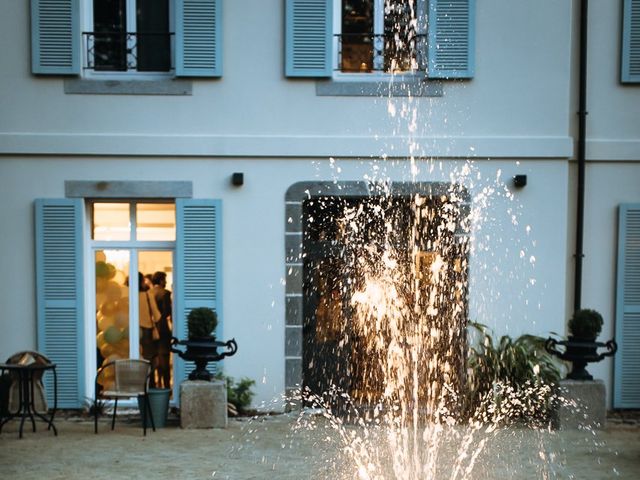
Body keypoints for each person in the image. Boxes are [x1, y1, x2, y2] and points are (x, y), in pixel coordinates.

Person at [138, 272, 161, 387]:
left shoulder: (127, 295)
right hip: (146, 331)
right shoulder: (147, 295)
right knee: (149, 360)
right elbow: (157, 316)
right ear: (142, 281)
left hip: (130, 331)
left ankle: (136, 386)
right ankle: (150, 386)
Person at [151, 271, 173, 389]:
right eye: (164, 280)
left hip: (150, 329)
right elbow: (167, 312)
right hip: (162, 329)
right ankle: (166, 386)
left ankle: (156, 383)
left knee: (154, 359)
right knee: (164, 358)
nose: (166, 282)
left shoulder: (149, 293)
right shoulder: (165, 294)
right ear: (160, 281)